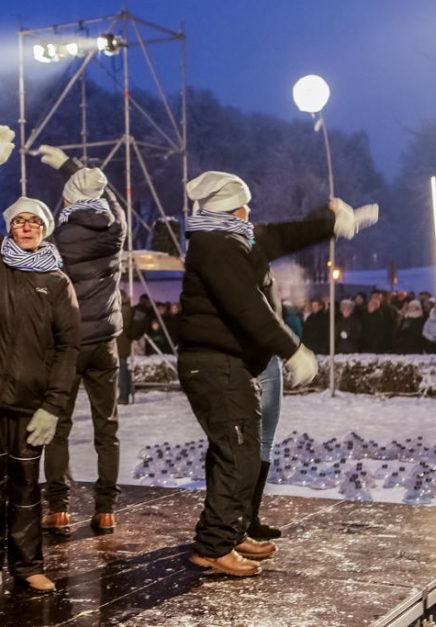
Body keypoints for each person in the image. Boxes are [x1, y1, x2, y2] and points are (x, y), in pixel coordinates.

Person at [177, 170, 378, 576]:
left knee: (234, 452)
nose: (248, 212)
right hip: (215, 363)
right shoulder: (216, 245)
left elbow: (282, 236)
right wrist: (293, 348)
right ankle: (214, 545)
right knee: (239, 454)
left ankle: (226, 533)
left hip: (227, 361)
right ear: (225, 209)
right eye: (241, 206)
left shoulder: (234, 238)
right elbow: (247, 307)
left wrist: (330, 221)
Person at [0, 125, 79, 595]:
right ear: (9, 227)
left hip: (31, 402)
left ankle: (28, 565)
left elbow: (69, 348)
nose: (27, 227)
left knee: (26, 487)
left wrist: (54, 405)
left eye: (35, 222)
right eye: (20, 220)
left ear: (45, 231)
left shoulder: (58, 283)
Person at [33, 147, 126, 535]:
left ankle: (58, 508)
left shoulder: (58, 237)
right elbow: (113, 200)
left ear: (68, 200)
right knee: (108, 427)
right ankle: (106, 510)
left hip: (69, 346)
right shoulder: (116, 229)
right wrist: (72, 168)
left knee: (59, 425)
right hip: (106, 343)